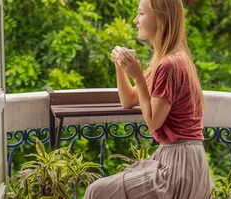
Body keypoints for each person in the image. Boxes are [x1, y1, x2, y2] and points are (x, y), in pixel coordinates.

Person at [83, 0, 213, 198]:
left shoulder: (169, 64)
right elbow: (129, 100)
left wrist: (137, 77)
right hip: (182, 159)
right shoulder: (165, 60)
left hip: (179, 166)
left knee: (97, 191)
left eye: (141, 14)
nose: (136, 20)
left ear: (160, 19)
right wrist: (121, 66)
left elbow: (153, 121)